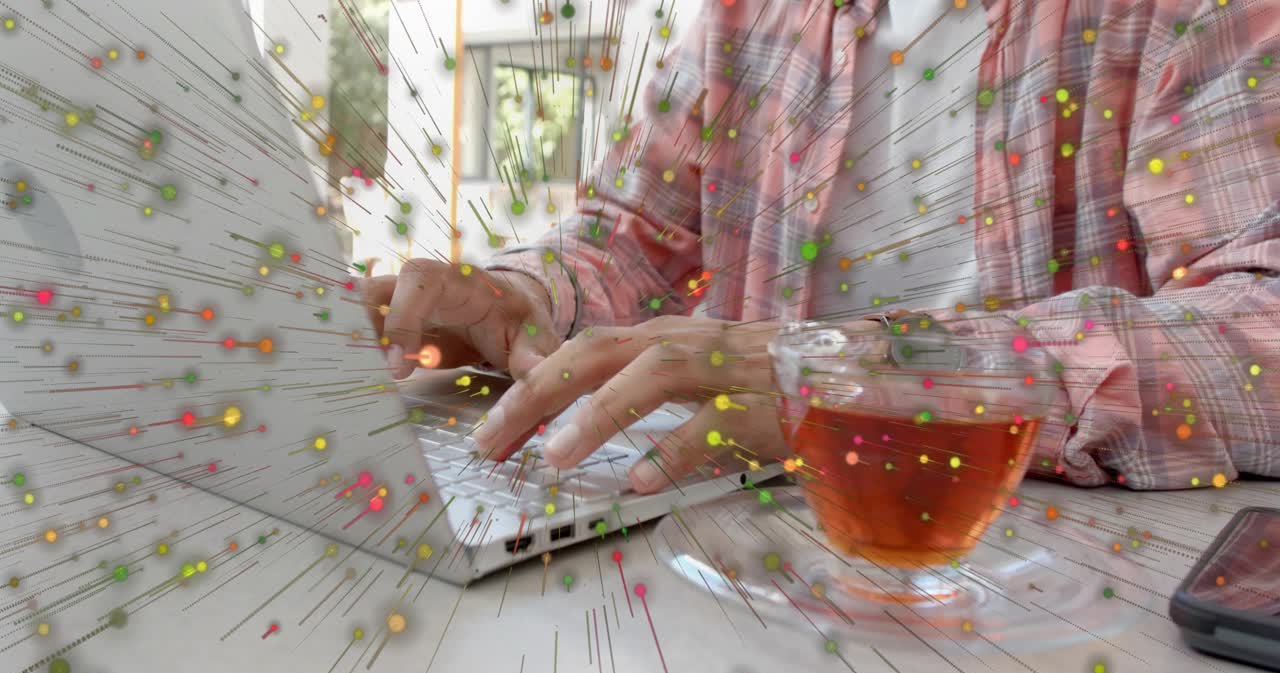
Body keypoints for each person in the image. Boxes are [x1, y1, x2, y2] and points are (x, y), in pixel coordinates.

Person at [367, 0, 1279, 494]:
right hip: (749, 531)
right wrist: (522, 298)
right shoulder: (746, 19)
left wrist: (875, 374)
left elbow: (1263, 329)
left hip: (1047, 572)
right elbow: (634, 236)